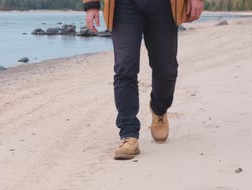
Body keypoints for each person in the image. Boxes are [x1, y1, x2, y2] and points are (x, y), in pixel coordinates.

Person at [83, 0, 204, 160]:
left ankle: (159, 109)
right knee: (125, 67)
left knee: (166, 69)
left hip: (164, 6)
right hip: (124, 6)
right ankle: (129, 134)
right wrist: (91, 4)